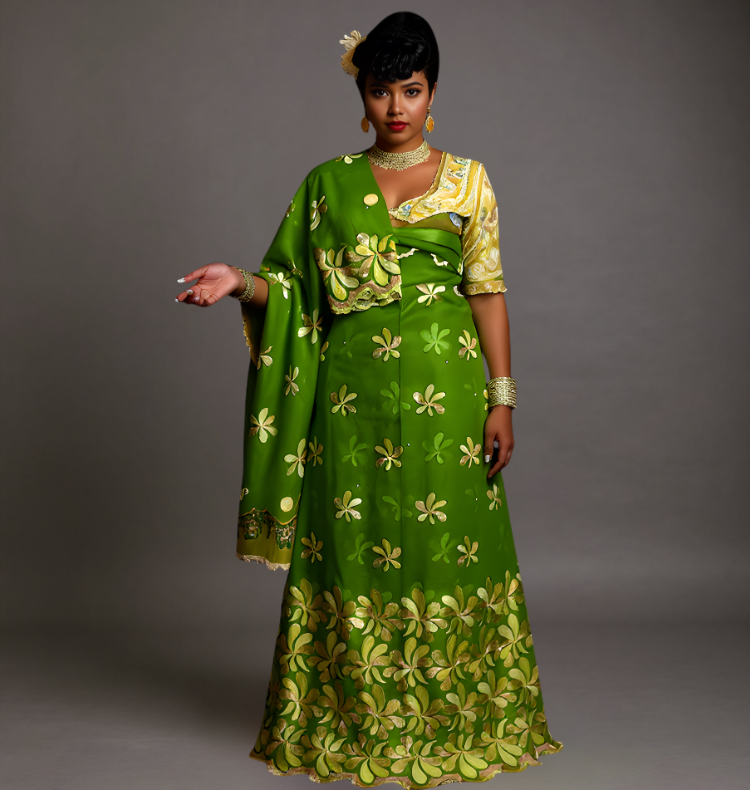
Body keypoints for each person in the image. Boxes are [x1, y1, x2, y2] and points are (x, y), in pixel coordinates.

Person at [176, 11, 562, 786]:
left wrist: (502, 398)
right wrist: (241, 283)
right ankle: (351, 714)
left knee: (449, 546)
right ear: (362, 94)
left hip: (450, 399)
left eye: (410, 90)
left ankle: (458, 716)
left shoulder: (470, 180)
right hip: (349, 406)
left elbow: (487, 294)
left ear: (433, 93)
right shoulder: (328, 184)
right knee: (353, 551)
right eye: (381, 90)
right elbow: (292, 288)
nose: (395, 107)